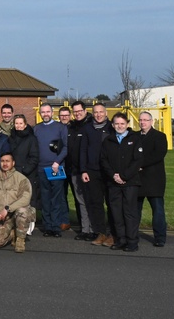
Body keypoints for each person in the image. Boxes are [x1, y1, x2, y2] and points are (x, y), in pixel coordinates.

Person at [100, 113, 142, 252]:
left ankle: (132, 241)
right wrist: (113, 175)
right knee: (116, 213)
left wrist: (124, 176)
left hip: (130, 182)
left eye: (122, 123)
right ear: (112, 125)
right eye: (117, 124)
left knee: (129, 213)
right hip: (113, 183)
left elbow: (137, 161)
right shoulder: (108, 141)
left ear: (127, 124)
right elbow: (103, 160)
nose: (119, 126)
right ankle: (120, 240)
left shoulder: (135, 139)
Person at [0, 152, 34, 253]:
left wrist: (7, 209)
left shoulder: (22, 179)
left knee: (22, 211)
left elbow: (25, 199)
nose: (5, 164)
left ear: (13, 163)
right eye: (2, 161)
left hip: (16, 213)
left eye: (7, 161)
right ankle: (12, 233)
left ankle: (20, 239)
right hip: (2, 216)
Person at [33, 104, 68, 237]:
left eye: (48, 112)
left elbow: (65, 147)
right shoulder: (36, 129)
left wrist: (57, 161)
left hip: (56, 168)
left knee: (56, 198)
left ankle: (56, 226)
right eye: (43, 112)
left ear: (52, 112)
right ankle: (47, 226)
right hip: (42, 168)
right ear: (40, 113)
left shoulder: (61, 128)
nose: (46, 114)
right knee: (45, 198)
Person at [82, 103, 114, 246]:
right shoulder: (88, 129)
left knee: (112, 203)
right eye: (96, 112)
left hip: (109, 172)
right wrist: (84, 170)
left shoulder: (112, 128)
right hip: (92, 171)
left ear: (106, 113)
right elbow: (82, 151)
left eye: (101, 112)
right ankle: (100, 233)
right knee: (96, 204)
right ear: (92, 114)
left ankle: (113, 234)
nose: (98, 115)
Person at [137, 111, 168, 247]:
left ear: (151, 121)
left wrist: (140, 164)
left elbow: (159, 154)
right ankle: (132, 235)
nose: (143, 122)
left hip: (154, 180)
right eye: (141, 120)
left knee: (158, 210)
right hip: (137, 179)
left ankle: (160, 237)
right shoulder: (135, 137)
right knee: (135, 210)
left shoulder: (160, 136)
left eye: (146, 120)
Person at [66, 101, 94, 240]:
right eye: (75, 111)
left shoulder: (91, 126)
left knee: (91, 200)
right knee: (81, 201)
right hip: (75, 170)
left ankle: (95, 229)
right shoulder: (72, 127)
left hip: (88, 171)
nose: (77, 113)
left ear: (85, 110)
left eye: (79, 111)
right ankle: (85, 229)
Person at [9, 114, 39, 215]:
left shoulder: (31, 139)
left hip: (27, 174)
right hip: (13, 174)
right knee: (15, 200)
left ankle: (29, 228)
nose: (18, 126)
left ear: (25, 125)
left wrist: (25, 170)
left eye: (21, 123)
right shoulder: (10, 138)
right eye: (16, 123)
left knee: (28, 201)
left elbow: (34, 157)